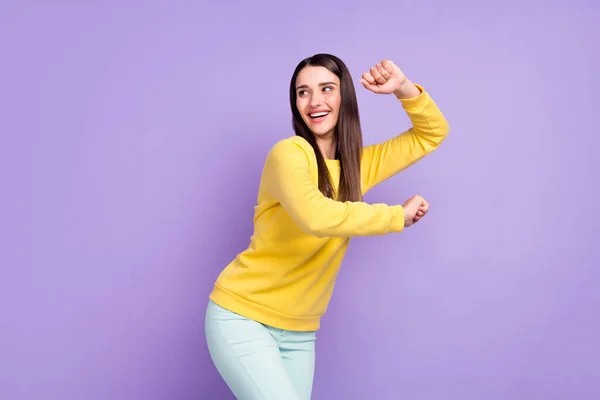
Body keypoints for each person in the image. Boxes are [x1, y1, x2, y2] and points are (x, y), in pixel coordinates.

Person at [204, 53, 450, 399]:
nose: (315, 101)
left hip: (300, 331)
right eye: (303, 92)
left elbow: (432, 133)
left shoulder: (358, 166)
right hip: (243, 317)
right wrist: (396, 217)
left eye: (326, 89)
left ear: (344, 97)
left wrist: (403, 89)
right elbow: (316, 217)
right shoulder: (289, 154)